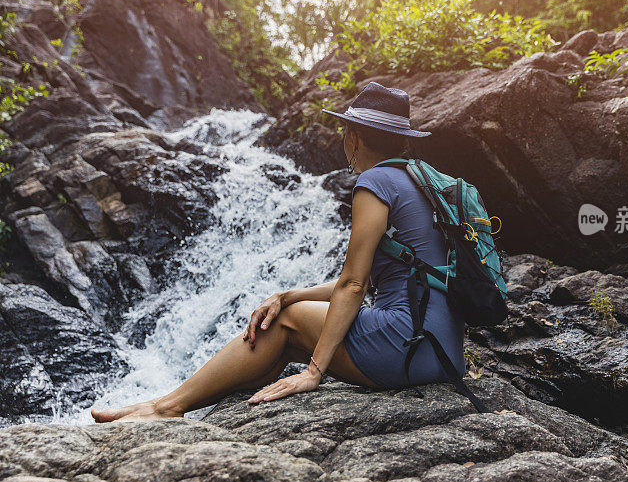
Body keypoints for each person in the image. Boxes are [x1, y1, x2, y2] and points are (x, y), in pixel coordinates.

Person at [90, 81, 466, 422]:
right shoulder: (423, 181)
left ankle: (165, 408)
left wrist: (314, 372)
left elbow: (353, 285)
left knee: (284, 320)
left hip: (406, 347)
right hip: (443, 351)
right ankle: (167, 403)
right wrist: (287, 294)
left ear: (353, 137)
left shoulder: (374, 182)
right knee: (285, 319)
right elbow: (363, 282)